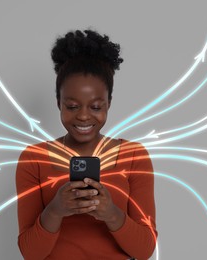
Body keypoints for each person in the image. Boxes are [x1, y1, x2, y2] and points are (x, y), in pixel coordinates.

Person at [16, 29, 157, 260]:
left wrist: (111, 214)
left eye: (95, 107)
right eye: (72, 106)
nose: (83, 116)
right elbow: (31, 253)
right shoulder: (34, 159)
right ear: (58, 103)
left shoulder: (134, 156)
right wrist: (56, 210)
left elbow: (145, 250)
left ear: (108, 103)